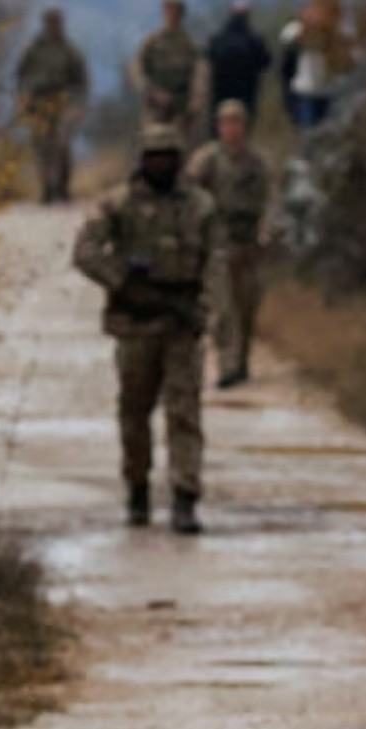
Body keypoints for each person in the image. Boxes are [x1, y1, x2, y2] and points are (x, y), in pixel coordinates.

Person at [73, 124, 219, 534]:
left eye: (167, 157)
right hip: (135, 327)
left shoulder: (199, 206)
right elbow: (84, 252)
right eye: (153, 157)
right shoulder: (118, 205)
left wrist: (206, 310)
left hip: (180, 326)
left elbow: (217, 261)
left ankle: (185, 496)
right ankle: (137, 490)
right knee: (134, 414)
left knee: (184, 413)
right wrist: (123, 283)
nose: (161, 164)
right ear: (141, 161)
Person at [188, 100, 270, 389]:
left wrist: (266, 231)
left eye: (237, 122)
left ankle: (242, 362)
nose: (231, 128)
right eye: (226, 122)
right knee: (223, 311)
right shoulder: (208, 159)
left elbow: (267, 200)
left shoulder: (256, 162)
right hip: (219, 243)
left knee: (247, 306)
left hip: (248, 243)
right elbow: (189, 194)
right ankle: (227, 365)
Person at [16, 8, 89, 204]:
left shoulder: (69, 51)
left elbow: (81, 80)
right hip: (38, 104)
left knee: (61, 145)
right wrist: (24, 98)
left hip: (62, 103)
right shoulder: (34, 50)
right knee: (41, 147)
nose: (53, 27)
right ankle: (46, 188)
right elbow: (21, 75)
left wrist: (79, 105)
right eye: (50, 23)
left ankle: (62, 188)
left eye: (56, 23)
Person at [136, 0, 202, 147]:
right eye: (169, 9)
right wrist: (152, 92)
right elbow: (138, 71)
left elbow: (200, 75)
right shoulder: (152, 42)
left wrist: (195, 102)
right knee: (151, 147)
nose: (172, 14)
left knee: (182, 148)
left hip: (182, 106)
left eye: (175, 9)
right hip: (156, 106)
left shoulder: (190, 44)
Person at [283, 0, 352, 132]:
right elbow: (291, 39)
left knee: (328, 136)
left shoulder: (338, 33)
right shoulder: (303, 29)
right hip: (307, 92)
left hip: (327, 92)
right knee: (309, 135)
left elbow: (344, 61)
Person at [206, 2, 272, 135]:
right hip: (246, 94)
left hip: (220, 95)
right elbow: (266, 62)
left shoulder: (218, 39)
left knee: (219, 130)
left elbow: (208, 59)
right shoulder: (255, 40)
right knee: (242, 130)